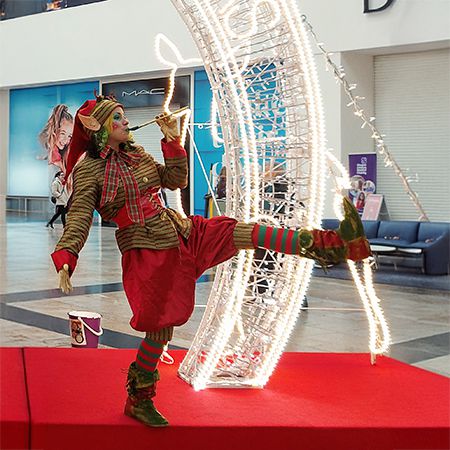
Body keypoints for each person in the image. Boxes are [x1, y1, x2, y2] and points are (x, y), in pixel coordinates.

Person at [50, 95, 371, 428]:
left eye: (124, 115)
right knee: (160, 331)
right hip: (148, 254)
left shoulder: (138, 154)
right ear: (99, 128)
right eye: (117, 117)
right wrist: (67, 256)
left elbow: (175, 180)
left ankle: (333, 245)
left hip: (184, 232)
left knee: (243, 232)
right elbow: (79, 216)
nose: (126, 121)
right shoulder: (89, 170)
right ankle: (139, 399)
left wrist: (172, 141)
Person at [38, 104, 74, 174]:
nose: (66, 140)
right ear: (54, 130)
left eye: (69, 136)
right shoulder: (52, 154)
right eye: (62, 133)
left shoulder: (62, 151)